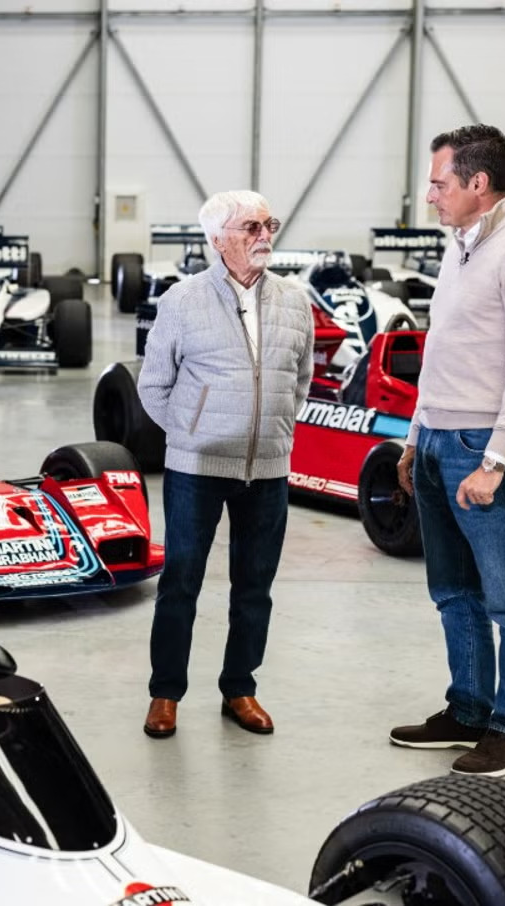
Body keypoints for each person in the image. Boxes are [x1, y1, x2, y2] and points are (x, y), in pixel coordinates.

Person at [390, 125, 505, 777]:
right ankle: (467, 711)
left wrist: (494, 463)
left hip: (484, 448)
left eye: (439, 183)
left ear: (477, 183)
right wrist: (415, 438)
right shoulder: (460, 244)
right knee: (453, 591)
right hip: (438, 439)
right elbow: (441, 352)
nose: (429, 195)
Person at [137, 190, 315, 739]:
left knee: (255, 586)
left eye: (268, 224)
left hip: (268, 467)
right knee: (181, 582)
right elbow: (154, 385)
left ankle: (240, 687)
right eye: (250, 227)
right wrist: (193, 435)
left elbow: (300, 380)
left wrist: (274, 429)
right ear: (217, 240)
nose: (264, 236)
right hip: (197, 468)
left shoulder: (295, 301)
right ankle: (165, 693)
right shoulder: (182, 300)